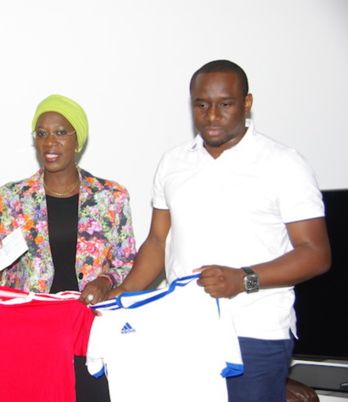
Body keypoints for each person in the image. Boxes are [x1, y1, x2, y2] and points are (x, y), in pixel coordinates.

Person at [109, 60, 331, 401]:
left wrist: (244, 278)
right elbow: (158, 240)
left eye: (225, 104)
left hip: (254, 332)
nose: (212, 116)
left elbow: (316, 254)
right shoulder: (173, 162)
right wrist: (124, 293)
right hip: (183, 331)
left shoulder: (284, 163)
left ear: (246, 103)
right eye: (201, 105)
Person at [0, 94, 137, 402]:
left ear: (78, 140)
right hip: (32, 333)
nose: (49, 142)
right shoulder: (13, 197)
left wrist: (105, 280)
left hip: (92, 330)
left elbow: (127, 263)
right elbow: (5, 279)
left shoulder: (111, 196)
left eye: (60, 132)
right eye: (41, 134)